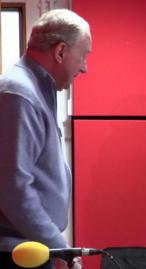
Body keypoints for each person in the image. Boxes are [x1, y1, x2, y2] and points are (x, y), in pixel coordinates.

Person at [0, 9, 91, 269]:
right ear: (61, 51)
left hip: (32, 248)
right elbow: (13, 187)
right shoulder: (20, 93)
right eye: (83, 55)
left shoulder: (34, 88)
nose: (85, 67)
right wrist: (59, 248)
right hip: (17, 255)